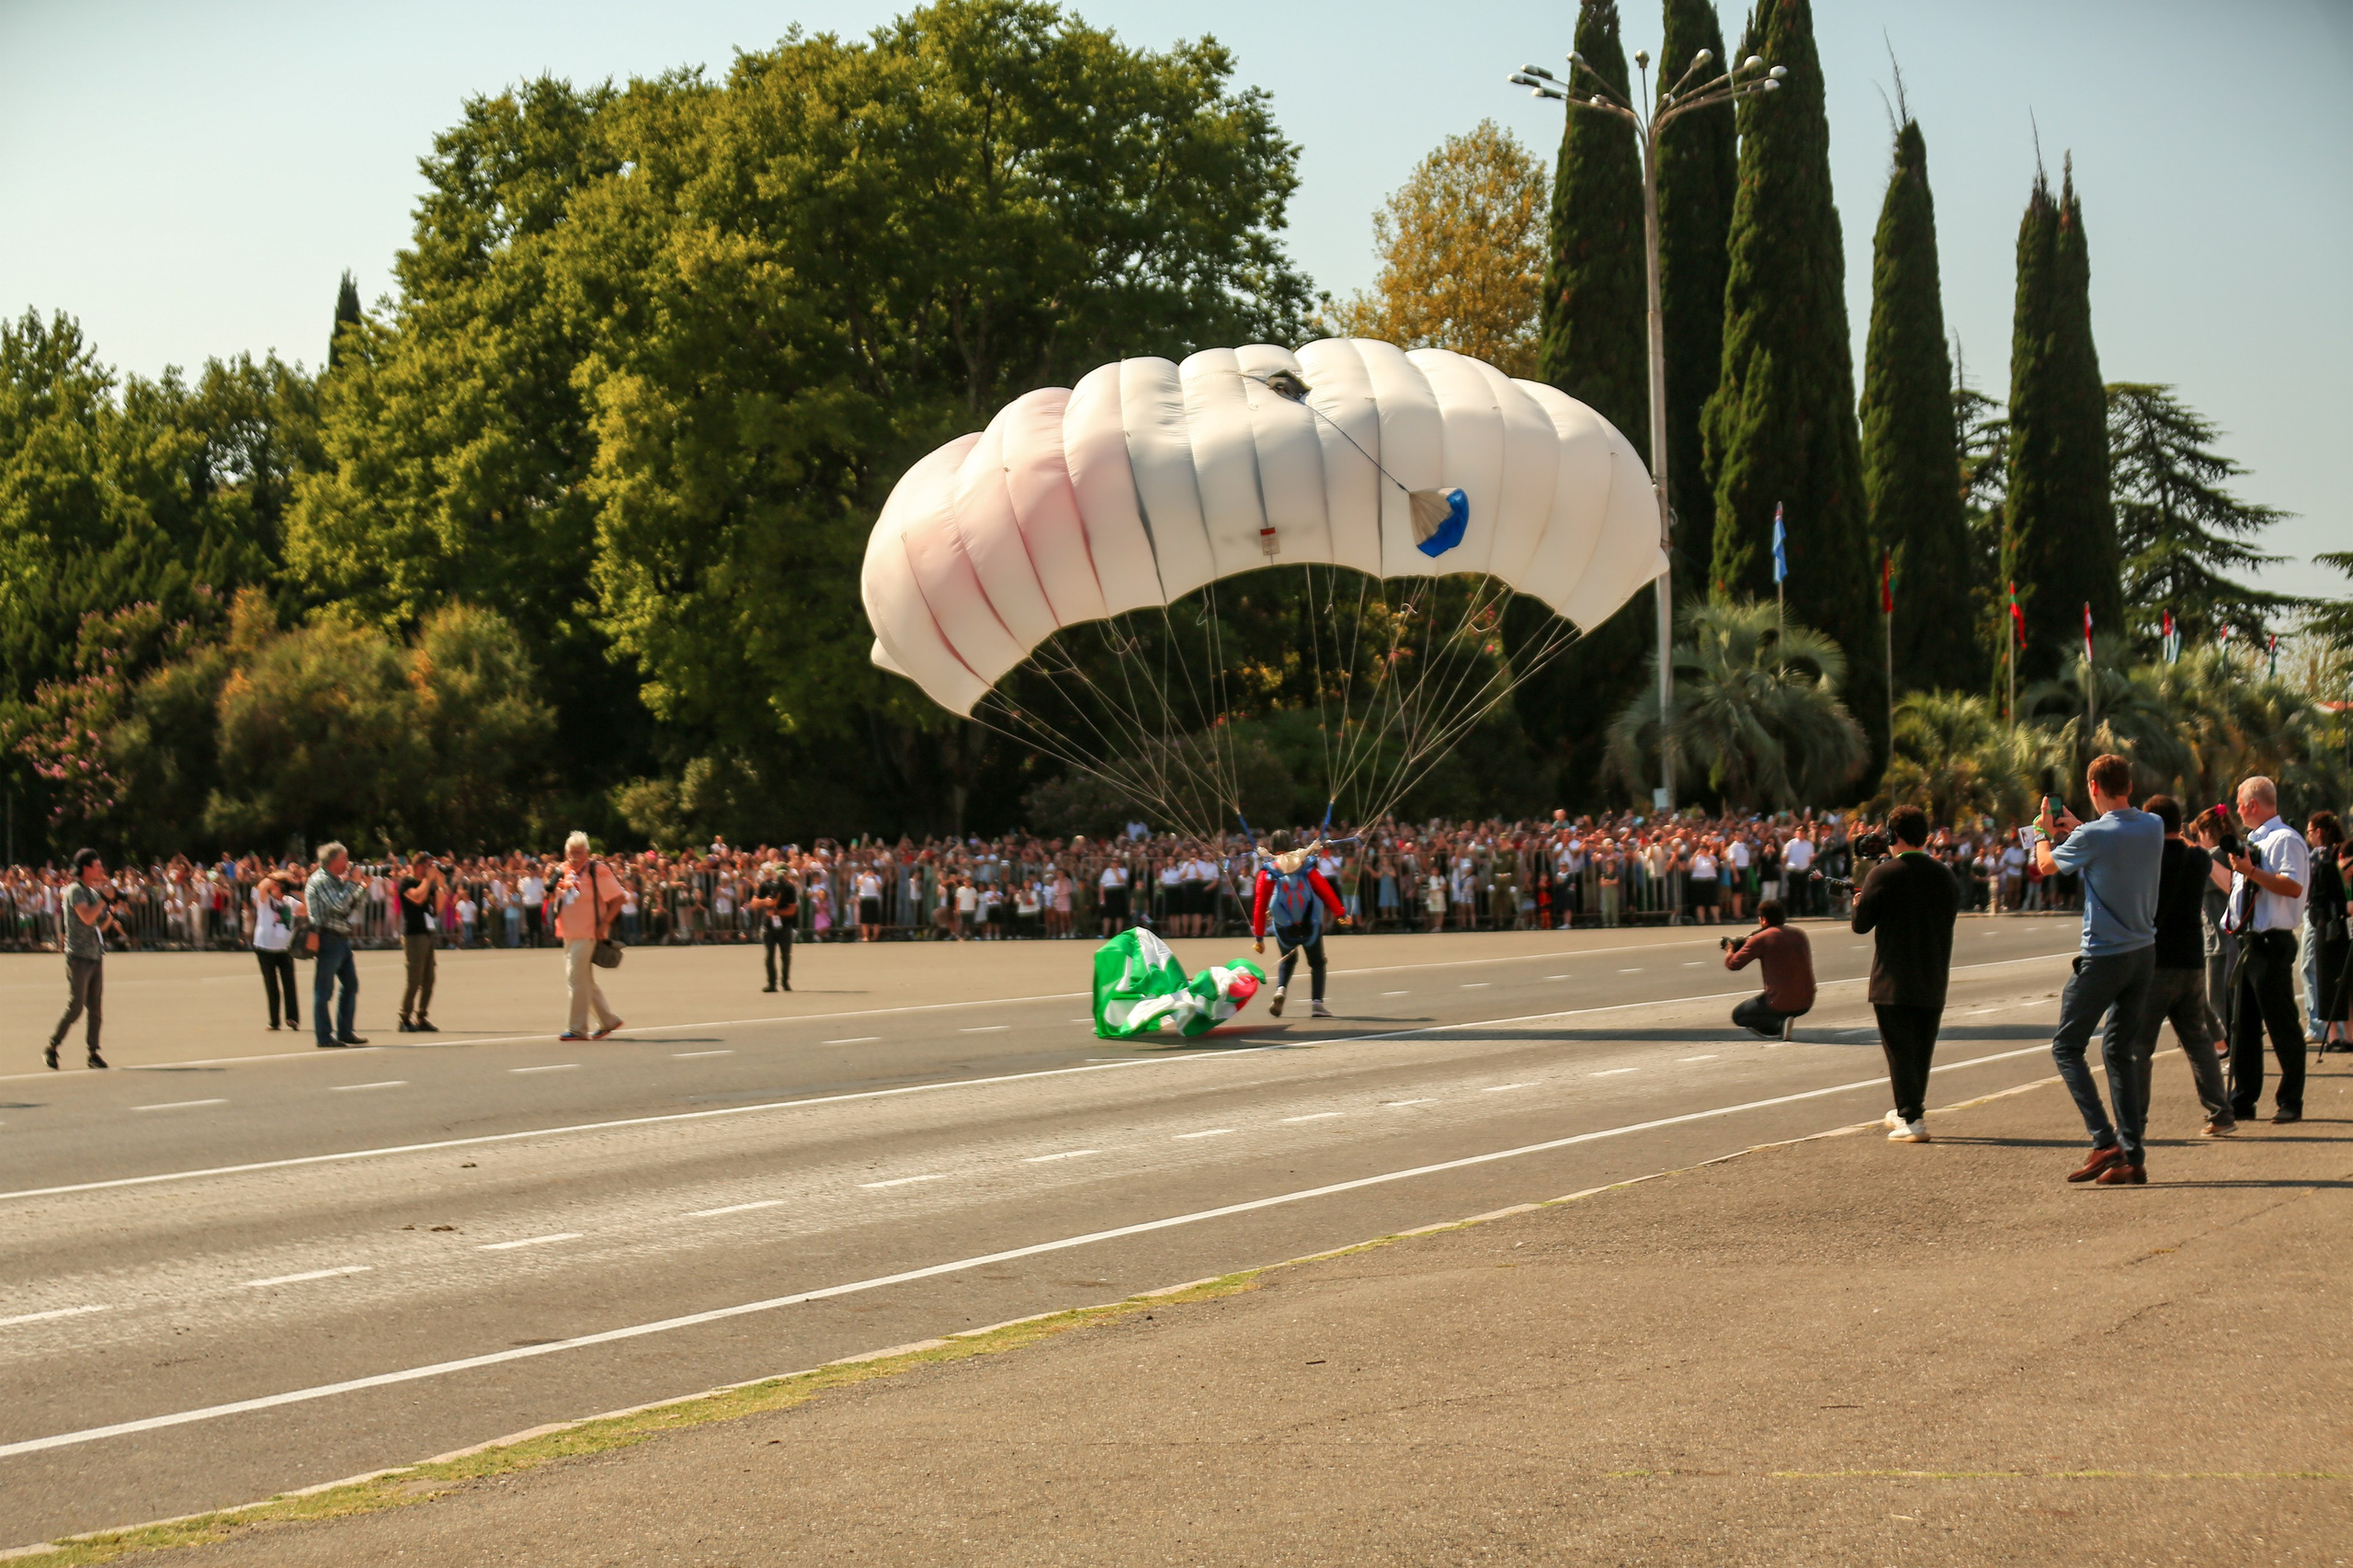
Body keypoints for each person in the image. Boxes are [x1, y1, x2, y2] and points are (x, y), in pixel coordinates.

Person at [2038, 753, 2163, 1184]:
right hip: (2143, 951)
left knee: (2067, 1046)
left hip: (2105, 954)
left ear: (2093, 788)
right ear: (2129, 784)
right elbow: (2115, 837)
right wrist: (2078, 827)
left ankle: (2103, 1140)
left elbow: (2046, 865)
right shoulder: (2153, 825)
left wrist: (2042, 833)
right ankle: (2132, 1157)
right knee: (2119, 1051)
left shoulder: (2093, 835)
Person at [2130, 796, 2236, 1137]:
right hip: (2192, 961)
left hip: (2157, 962)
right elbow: (2192, 849)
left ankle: (2134, 1122)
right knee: (2199, 1042)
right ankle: (2221, 1113)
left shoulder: (2148, 858)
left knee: (2138, 1047)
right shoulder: (2198, 857)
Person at [1850, 805, 1957, 1142]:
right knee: (1921, 1050)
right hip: (1933, 973)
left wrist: (1858, 902)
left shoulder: (1882, 875)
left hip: (1893, 978)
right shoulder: (1945, 875)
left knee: (1899, 1052)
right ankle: (1909, 1110)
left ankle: (1912, 1118)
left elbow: (1861, 925)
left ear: (1892, 835)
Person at [2211, 776, 2309, 1124]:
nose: (2237, 811)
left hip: (2270, 943)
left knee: (2281, 1024)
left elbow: (2293, 886)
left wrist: (2251, 871)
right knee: (2242, 1025)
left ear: (2252, 804)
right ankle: (2243, 1098)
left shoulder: (2285, 839)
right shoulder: (2252, 841)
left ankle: (2290, 1099)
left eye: (2239, 804)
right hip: (2244, 942)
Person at [1251, 830, 1348, 1019]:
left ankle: (1281, 989)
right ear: (1291, 845)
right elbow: (1325, 890)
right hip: (1310, 923)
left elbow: (1259, 905)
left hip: (1284, 927)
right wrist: (1341, 914)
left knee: (1288, 960)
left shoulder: (1268, 871)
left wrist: (1259, 938)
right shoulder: (1306, 867)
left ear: (1272, 847)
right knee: (1317, 962)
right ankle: (1317, 1004)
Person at [45, 847, 116, 1069]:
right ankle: (52, 1046)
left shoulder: (92, 892)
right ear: (86, 868)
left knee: (95, 1008)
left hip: (94, 955)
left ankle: (93, 1053)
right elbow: (86, 917)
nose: (101, 869)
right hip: (78, 956)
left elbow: (98, 924)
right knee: (76, 1005)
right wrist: (104, 899)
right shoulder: (75, 890)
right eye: (97, 865)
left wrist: (112, 911)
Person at [554, 831, 625, 1040]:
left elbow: (619, 898)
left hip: (588, 932)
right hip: (569, 932)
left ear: (587, 853)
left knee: (575, 978)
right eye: (570, 852)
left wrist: (605, 923)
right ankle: (608, 1020)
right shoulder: (563, 870)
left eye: (578, 852)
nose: (573, 856)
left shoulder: (597, 870)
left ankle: (577, 1028)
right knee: (583, 979)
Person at [303, 843, 369, 1049]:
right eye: (344, 858)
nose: (348, 863)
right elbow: (339, 905)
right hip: (328, 938)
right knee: (324, 990)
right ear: (332, 860)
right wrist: (353, 883)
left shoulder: (335, 880)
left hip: (341, 938)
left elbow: (348, 907)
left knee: (351, 985)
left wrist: (362, 887)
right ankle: (324, 1036)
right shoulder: (321, 880)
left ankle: (345, 1031)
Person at [1722, 897, 1813, 1040]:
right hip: (1806, 1001)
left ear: (1763, 920)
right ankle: (1784, 1020)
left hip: (1779, 1002)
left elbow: (1733, 964)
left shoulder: (1761, 938)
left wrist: (1730, 949)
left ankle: (1778, 1026)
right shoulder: (1799, 934)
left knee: (1739, 1015)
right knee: (1774, 997)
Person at [2305, 812, 2348, 1052]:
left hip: (2328, 926)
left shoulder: (2320, 857)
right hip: (2336, 925)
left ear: (2319, 832)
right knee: (2338, 981)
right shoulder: (2336, 854)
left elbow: (2316, 898)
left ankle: (2333, 1035)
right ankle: (2342, 1035)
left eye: (2310, 832)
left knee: (2328, 979)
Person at [396, 850, 442, 1033]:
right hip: (413, 935)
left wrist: (440, 886)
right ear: (419, 866)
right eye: (428, 866)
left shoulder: (428, 884)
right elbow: (417, 898)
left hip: (427, 933)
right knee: (414, 979)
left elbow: (437, 909)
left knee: (429, 979)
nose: (430, 869)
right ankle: (404, 1017)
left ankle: (422, 1016)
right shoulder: (406, 882)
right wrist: (428, 880)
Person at [252, 872, 303, 1033]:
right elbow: (262, 886)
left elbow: (306, 909)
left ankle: (292, 1018)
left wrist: (299, 890)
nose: (273, 887)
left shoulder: (290, 902)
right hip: (264, 947)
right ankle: (274, 1021)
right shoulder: (266, 900)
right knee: (271, 984)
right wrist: (279, 876)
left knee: (289, 983)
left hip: (284, 948)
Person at [751, 862, 800, 991]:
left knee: (786, 956)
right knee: (769, 955)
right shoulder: (765, 885)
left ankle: (785, 982)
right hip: (769, 926)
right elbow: (753, 903)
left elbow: (792, 910)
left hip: (785, 925)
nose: (782, 876)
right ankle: (771, 983)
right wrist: (765, 902)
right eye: (779, 874)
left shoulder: (790, 888)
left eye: (784, 874)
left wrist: (776, 912)